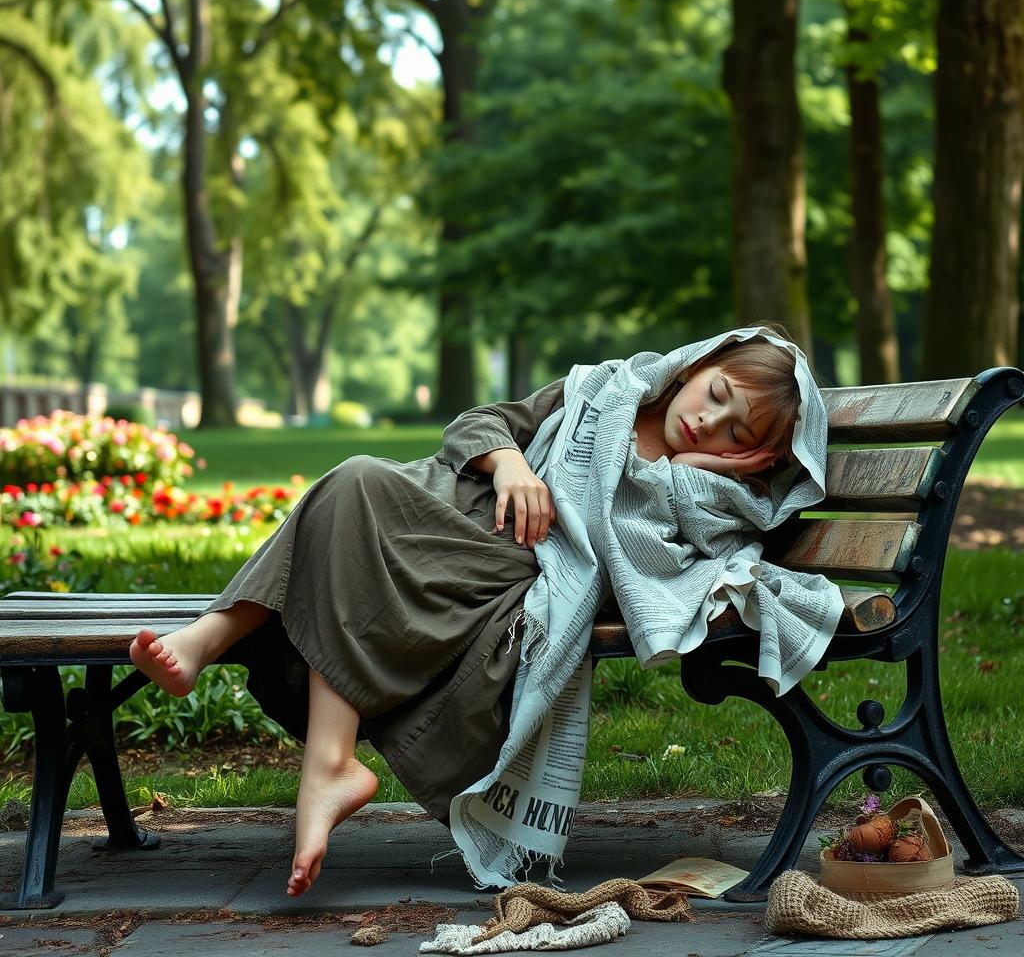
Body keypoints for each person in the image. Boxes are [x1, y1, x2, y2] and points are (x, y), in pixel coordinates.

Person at [128, 325, 837, 897]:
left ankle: (249, 683)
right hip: (440, 505)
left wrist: (681, 481)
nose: (708, 421)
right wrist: (510, 464)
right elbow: (480, 421)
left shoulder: (711, 498)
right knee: (347, 500)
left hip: (491, 562)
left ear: (753, 461)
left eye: (735, 435)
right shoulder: (601, 389)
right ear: (695, 367)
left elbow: (650, 569)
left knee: (349, 488)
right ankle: (318, 755)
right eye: (715, 394)